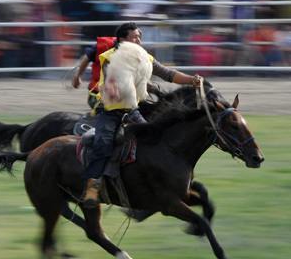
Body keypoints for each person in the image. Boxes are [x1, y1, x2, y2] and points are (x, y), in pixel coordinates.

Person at [81, 22, 202, 208]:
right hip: (111, 111)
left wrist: (191, 80)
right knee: (103, 144)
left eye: (139, 37)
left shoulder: (145, 57)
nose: (139, 40)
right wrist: (113, 87)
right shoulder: (110, 57)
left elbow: (168, 74)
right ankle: (92, 187)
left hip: (134, 110)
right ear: (122, 40)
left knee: (157, 139)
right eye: (134, 37)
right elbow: (113, 78)